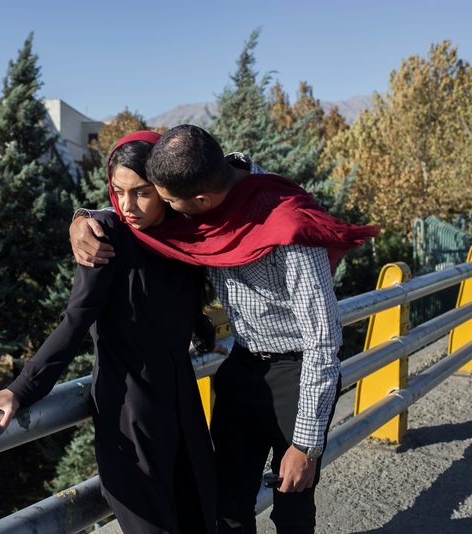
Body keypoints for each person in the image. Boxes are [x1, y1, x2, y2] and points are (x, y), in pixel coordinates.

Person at [69, 124, 379, 534]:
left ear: (200, 201)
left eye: (170, 203)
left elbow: (323, 339)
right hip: (242, 366)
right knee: (227, 507)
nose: (167, 211)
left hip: (297, 373)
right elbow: (135, 201)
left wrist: (306, 445)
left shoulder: (287, 225)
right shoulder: (199, 174)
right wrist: (84, 218)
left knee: (293, 508)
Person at [0, 131, 218, 534]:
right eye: (118, 191)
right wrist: (21, 389)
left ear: (165, 190)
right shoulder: (105, 236)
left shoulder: (184, 231)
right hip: (130, 411)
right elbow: (76, 318)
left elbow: (181, 298)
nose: (127, 205)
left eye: (142, 193)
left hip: (183, 405)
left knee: (201, 519)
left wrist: (202, 331)